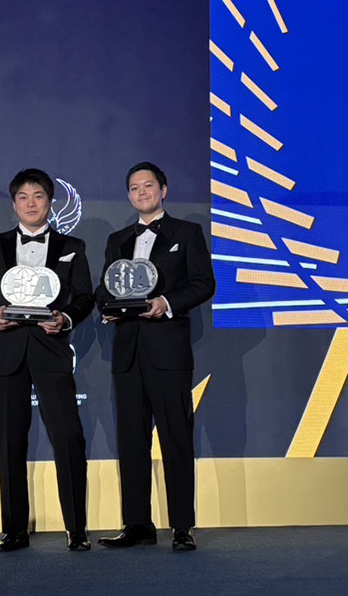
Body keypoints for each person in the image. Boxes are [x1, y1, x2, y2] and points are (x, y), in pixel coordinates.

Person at [0, 169, 94, 552]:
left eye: (38, 196)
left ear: (50, 203)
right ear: (14, 203)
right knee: (10, 442)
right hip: (7, 351)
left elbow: (84, 298)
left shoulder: (73, 246)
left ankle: (77, 529)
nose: (31, 203)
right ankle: (14, 530)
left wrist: (65, 318)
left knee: (68, 438)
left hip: (51, 350)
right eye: (23, 196)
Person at [95, 162, 215, 552]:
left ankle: (182, 526)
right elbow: (105, 287)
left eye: (148, 185)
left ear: (163, 189)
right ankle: (137, 524)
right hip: (127, 352)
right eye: (134, 187)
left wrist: (166, 302)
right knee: (131, 440)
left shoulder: (187, 233)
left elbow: (203, 283)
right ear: (128, 195)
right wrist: (108, 307)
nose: (142, 192)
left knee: (176, 437)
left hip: (168, 352)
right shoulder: (117, 239)